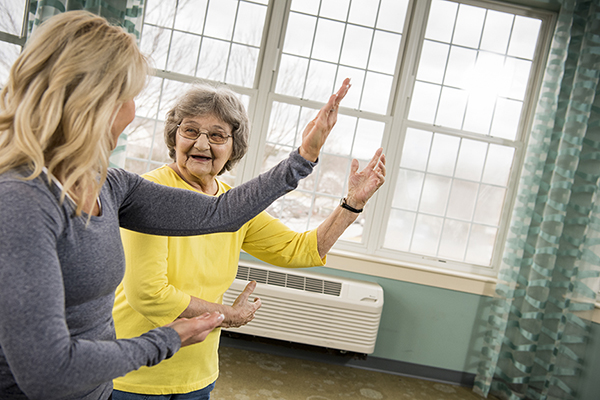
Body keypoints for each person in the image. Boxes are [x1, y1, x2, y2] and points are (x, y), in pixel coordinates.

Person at [0, 11, 350, 400]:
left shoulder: (110, 186)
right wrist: (167, 339)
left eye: (217, 135)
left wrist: (303, 157)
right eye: (127, 97)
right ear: (91, 103)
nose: (133, 111)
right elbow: (49, 373)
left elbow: (222, 212)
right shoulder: (21, 202)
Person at [111, 85, 386, 400]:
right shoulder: (150, 192)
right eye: (190, 130)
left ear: (234, 146)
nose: (201, 143)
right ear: (175, 136)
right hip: (134, 374)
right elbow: (149, 294)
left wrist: (351, 204)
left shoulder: (232, 204)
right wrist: (228, 315)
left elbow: (301, 249)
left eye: (217, 135)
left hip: (197, 374)